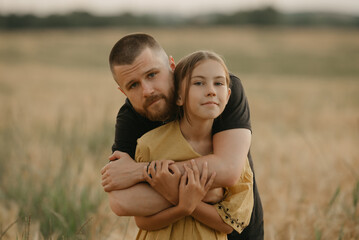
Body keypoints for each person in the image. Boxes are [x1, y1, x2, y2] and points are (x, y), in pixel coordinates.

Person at [101, 33, 264, 239]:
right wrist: (206, 191)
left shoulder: (215, 92)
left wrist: (141, 172)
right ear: (123, 91)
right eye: (133, 85)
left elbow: (228, 170)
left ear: (172, 65)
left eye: (152, 74)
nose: (147, 90)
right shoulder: (130, 120)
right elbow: (122, 202)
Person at [132, 50, 254, 239]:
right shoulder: (150, 145)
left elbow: (229, 223)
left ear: (228, 96)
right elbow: (142, 221)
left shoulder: (232, 155)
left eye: (219, 83)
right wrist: (187, 204)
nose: (211, 90)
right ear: (178, 96)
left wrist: (183, 201)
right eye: (198, 83)